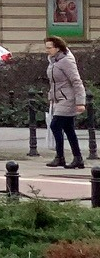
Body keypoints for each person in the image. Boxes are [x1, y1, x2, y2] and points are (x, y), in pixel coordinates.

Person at [47, 37, 87, 169]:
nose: (47, 50)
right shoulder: (53, 61)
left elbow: (76, 81)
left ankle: (60, 157)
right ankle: (77, 158)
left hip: (68, 99)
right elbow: (54, 83)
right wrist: (51, 97)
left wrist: (81, 102)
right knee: (69, 129)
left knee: (55, 125)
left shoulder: (66, 61)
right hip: (59, 99)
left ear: (57, 48)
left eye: (49, 47)